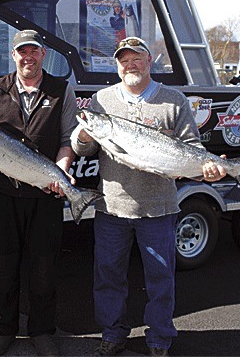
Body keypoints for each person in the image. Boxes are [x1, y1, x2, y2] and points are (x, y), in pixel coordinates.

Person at [70, 37, 226, 357]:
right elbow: (82, 148)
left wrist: (206, 168)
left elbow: (192, 150)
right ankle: (113, 334)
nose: (130, 64)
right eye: (124, 59)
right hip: (112, 206)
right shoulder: (101, 100)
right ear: (117, 65)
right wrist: (84, 135)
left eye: (136, 58)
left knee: (160, 278)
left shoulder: (173, 100)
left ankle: (159, 338)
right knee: (108, 277)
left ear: (149, 61)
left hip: (159, 208)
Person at [0, 29, 78, 356]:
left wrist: (60, 172)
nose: (27, 57)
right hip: (4, 193)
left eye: (33, 51)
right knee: (4, 263)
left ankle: (42, 331)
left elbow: (67, 141)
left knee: (44, 265)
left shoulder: (61, 91)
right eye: (22, 52)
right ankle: (3, 330)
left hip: (45, 194)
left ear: (43, 54)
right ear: (13, 55)